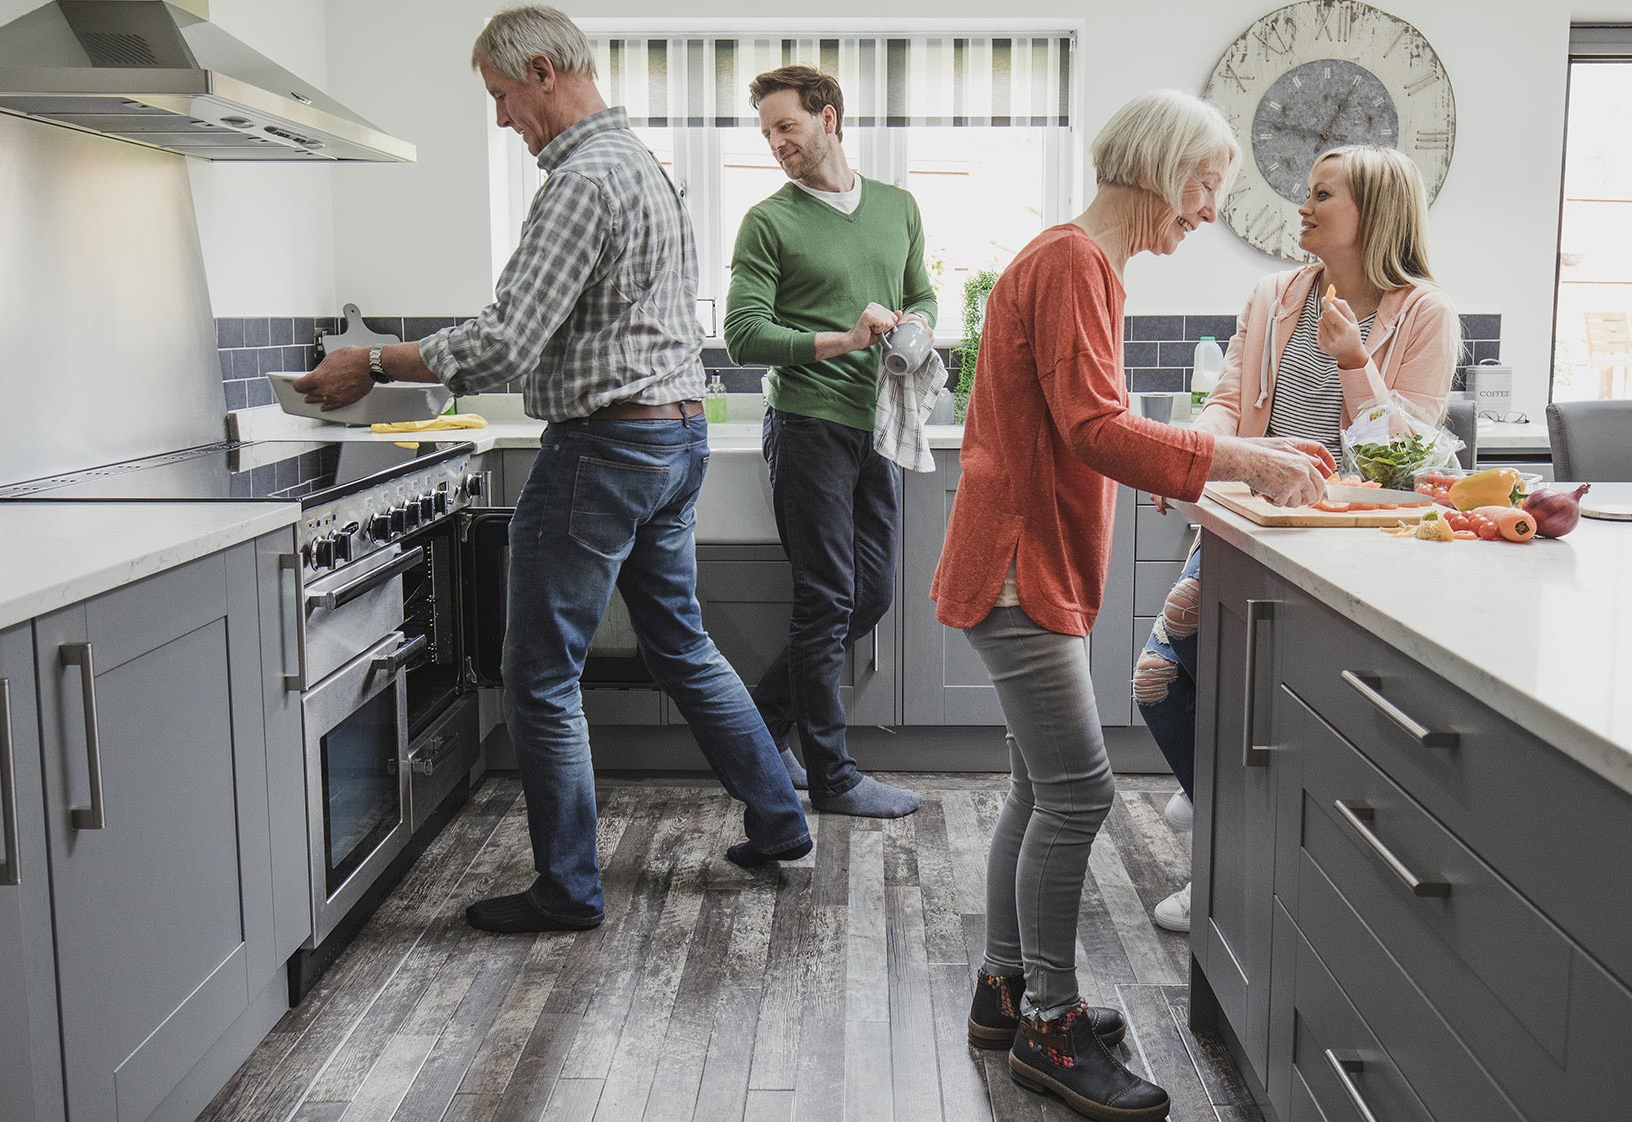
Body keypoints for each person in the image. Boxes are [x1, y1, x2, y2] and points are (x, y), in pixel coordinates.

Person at [292, 5, 812, 935]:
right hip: (672, 437)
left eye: (499, 96)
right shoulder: (646, 169)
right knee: (681, 644)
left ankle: (568, 887)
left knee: (538, 672)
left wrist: (371, 362)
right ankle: (781, 823)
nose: (500, 119)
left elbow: (506, 339)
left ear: (541, 70)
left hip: (606, 450)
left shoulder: (582, 181)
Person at [934, 91, 1334, 1122]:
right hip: (1022, 569)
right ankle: (1050, 1030)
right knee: (1076, 796)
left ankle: (1005, 990)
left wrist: (1183, 466)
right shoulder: (1072, 263)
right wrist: (1235, 456)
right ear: (1161, 168)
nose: (1207, 210)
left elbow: (1081, 425)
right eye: (1205, 184)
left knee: (1036, 790)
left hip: (1022, 562)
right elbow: (1093, 426)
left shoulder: (1073, 262)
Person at [1137, 144, 1460, 933]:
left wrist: (1354, 359)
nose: (1303, 207)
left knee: (1284, 713)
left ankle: (1231, 865)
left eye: (1322, 195)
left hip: (1347, 542)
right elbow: (1225, 401)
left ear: (1373, 213)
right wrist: (1189, 460)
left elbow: (1406, 455)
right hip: (1252, 518)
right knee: (1157, 681)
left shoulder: (1424, 315)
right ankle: (1218, 811)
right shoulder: (1275, 295)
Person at [722, 65, 938, 819]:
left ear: (830, 118)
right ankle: (834, 777)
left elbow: (923, 292)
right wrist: (843, 339)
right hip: (808, 423)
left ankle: (752, 732)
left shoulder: (897, 207)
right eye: (768, 133)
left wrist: (915, 327)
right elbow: (744, 335)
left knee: (868, 592)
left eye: (786, 126)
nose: (777, 143)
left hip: (876, 424)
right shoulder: (768, 222)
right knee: (825, 601)